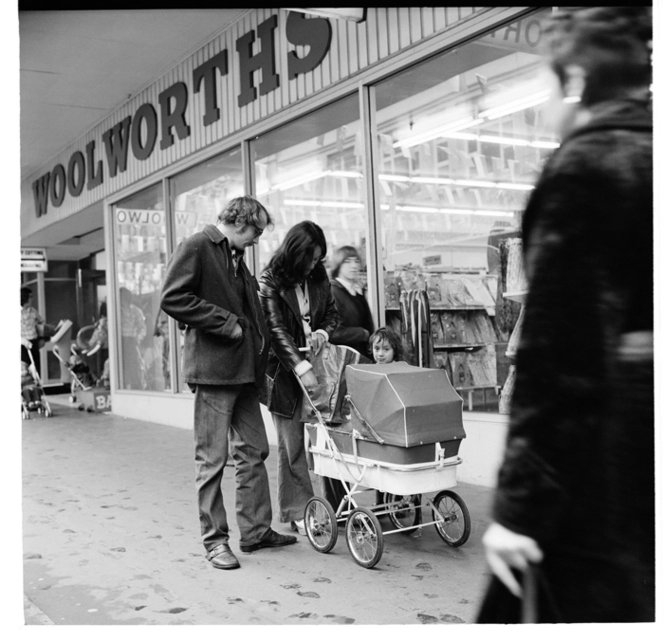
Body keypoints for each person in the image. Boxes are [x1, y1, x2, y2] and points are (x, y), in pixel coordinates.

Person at [478, 7, 653, 623]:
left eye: (542, 84)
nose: (540, 105)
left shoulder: (585, 170)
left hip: (602, 470)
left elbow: (560, 364)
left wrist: (517, 510)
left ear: (575, 79)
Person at [160, 195, 296, 570]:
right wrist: (226, 323)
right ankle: (215, 542)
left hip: (244, 375)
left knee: (254, 451)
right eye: (255, 231)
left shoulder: (236, 259)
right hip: (213, 373)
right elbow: (172, 297)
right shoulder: (197, 246)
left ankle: (255, 532)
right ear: (240, 222)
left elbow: (251, 312)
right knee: (212, 460)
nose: (257, 240)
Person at [258, 221, 339, 535]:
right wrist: (300, 367)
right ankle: (300, 511)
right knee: (292, 447)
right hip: (283, 373)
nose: (313, 265)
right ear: (295, 253)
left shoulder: (318, 275)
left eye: (318, 258)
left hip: (320, 367)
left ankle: (334, 506)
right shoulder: (270, 281)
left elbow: (331, 312)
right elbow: (275, 332)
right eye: (309, 258)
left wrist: (322, 331)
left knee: (327, 442)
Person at [328, 246, 375, 361]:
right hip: (344, 361)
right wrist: (363, 333)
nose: (354, 266)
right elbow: (332, 331)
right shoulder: (333, 292)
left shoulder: (354, 291)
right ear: (338, 265)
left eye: (356, 261)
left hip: (360, 358)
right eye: (347, 262)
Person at [119, 287, 147, 390]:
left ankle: (135, 388)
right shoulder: (115, 311)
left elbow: (142, 328)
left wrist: (137, 338)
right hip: (118, 341)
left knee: (132, 365)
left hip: (130, 341)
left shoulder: (136, 311)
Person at [21, 287, 45, 369]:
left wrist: (42, 338)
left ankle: (37, 381)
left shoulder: (33, 311)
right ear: (25, 297)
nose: (32, 299)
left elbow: (41, 323)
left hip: (34, 342)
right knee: (24, 368)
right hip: (23, 344)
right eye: (30, 297)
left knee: (36, 367)